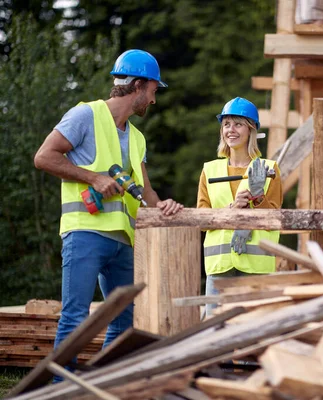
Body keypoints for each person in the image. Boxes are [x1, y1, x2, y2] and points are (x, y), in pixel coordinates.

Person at [33, 49, 184, 372]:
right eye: (154, 92)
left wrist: (164, 205)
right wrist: (94, 178)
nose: (154, 101)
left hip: (124, 241)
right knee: (75, 316)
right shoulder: (85, 115)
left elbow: (145, 190)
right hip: (86, 233)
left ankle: (104, 382)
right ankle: (63, 391)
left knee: (125, 319)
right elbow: (44, 157)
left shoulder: (138, 137)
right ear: (139, 86)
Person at [197, 97, 282, 316]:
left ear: (251, 130)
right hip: (220, 267)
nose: (231, 130)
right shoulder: (210, 170)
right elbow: (201, 221)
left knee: (255, 329)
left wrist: (258, 197)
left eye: (238, 124)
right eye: (226, 124)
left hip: (256, 269)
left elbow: (275, 220)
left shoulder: (269, 169)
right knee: (214, 332)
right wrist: (228, 212)